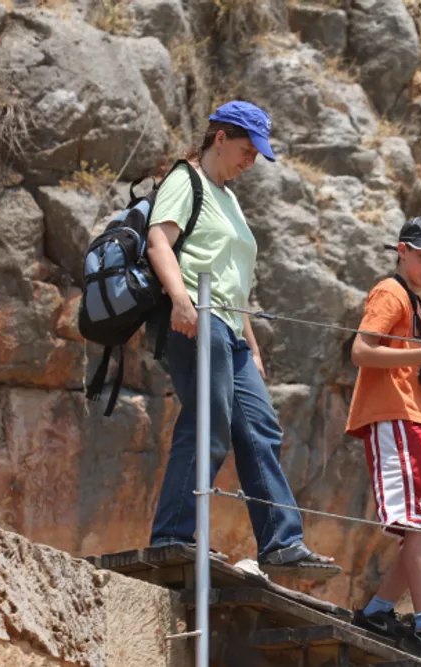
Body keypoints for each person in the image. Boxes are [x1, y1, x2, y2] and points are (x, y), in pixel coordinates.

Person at [146, 100, 339, 580]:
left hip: (230, 327)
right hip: (196, 316)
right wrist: (179, 300)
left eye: (257, 153)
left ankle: (281, 541)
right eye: (247, 149)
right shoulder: (184, 181)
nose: (251, 160)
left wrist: (250, 341)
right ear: (220, 138)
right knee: (208, 425)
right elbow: (158, 241)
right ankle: (172, 536)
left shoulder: (229, 197)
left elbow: (234, 278)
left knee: (260, 428)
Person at [345, 216, 421, 664]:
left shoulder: (414, 303)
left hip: (416, 417)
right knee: (419, 524)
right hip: (394, 419)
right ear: (402, 250)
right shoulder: (391, 292)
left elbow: (398, 365)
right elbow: (360, 350)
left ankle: (379, 611)